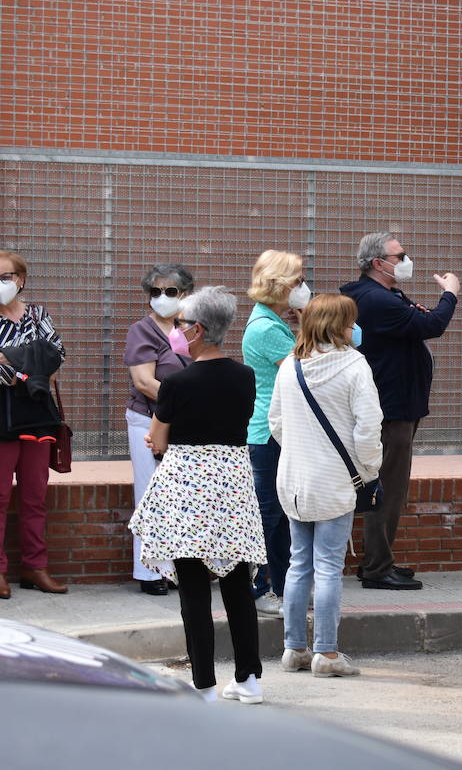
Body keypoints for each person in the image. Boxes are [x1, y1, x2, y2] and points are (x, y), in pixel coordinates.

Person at [128, 286, 266, 703]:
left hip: (187, 485)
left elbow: (156, 438)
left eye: (182, 322)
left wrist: (166, 438)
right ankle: (249, 678)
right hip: (233, 483)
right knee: (238, 582)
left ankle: (203, 683)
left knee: (192, 586)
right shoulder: (246, 376)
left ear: (199, 330)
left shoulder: (176, 382)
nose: (176, 328)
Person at [270, 294, 382, 679]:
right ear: (339, 326)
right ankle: (327, 654)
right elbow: (368, 429)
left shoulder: (291, 367)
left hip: (294, 480)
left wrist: (303, 450)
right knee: (329, 567)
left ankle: (294, 648)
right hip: (336, 480)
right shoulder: (355, 366)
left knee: (298, 564)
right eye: (350, 322)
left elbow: (277, 423)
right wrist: (369, 469)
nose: (355, 328)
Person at [341, 232, 460, 591]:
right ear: (378, 263)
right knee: (388, 488)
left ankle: (380, 560)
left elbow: (414, 320)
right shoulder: (374, 299)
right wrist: (450, 292)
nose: (406, 260)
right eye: (399, 255)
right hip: (391, 409)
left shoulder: (381, 294)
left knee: (389, 486)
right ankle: (377, 567)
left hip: (397, 404)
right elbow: (432, 325)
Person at [242, 249, 310, 617]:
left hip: (275, 431)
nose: (303, 287)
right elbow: (305, 369)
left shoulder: (272, 321)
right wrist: (311, 319)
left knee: (281, 513)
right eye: (298, 281)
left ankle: (282, 586)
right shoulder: (266, 328)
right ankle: (261, 586)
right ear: (281, 284)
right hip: (268, 434)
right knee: (269, 514)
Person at [0, 250, 68, 599]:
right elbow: (37, 359)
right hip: (1, 416)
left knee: (34, 496)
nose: (2, 284)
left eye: (6, 277)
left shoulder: (39, 314)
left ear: (21, 279)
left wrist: (11, 361)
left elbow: (56, 353)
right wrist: (28, 365)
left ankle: (35, 567)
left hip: (38, 416)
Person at [123, 262, 193, 596]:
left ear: (186, 294)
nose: (161, 297)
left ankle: (180, 568)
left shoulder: (191, 328)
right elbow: (144, 381)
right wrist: (187, 401)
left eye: (170, 291)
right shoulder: (142, 330)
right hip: (147, 421)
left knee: (181, 497)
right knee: (150, 494)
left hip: (185, 423)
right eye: (155, 291)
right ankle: (150, 572)